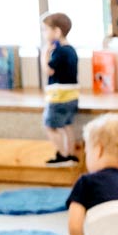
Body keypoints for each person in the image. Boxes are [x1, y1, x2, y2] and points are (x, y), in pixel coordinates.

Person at [41, 11, 81, 164]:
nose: (44, 34)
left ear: (57, 31)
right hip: (72, 96)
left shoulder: (59, 52)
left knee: (50, 126)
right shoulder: (71, 50)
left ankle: (63, 154)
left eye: (46, 30)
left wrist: (45, 56)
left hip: (59, 97)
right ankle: (70, 154)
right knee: (67, 125)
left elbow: (49, 70)